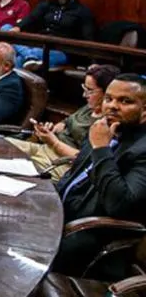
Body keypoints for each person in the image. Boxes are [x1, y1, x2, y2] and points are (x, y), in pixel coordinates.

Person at [51, 74, 146, 281]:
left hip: (94, 237)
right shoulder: (104, 129)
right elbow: (73, 176)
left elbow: (120, 204)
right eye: (109, 99)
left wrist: (101, 149)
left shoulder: (142, 150)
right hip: (61, 216)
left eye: (125, 101)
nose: (112, 106)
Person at [10, 65, 121, 180]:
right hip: (46, 148)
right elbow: (66, 122)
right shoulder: (90, 107)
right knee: (1, 146)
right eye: (84, 88)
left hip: (63, 162)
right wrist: (49, 130)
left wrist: (53, 142)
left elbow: (84, 159)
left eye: (90, 90)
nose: (84, 95)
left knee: (14, 170)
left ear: (107, 93)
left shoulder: (106, 123)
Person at [10, 0, 95, 69]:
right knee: (6, 28)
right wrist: (18, 27)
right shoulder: (48, 5)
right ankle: (29, 56)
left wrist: (93, 62)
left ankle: (28, 56)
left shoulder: (82, 11)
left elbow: (89, 38)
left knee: (18, 59)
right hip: (39, 44)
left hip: (62, 51)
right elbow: (31, 18)